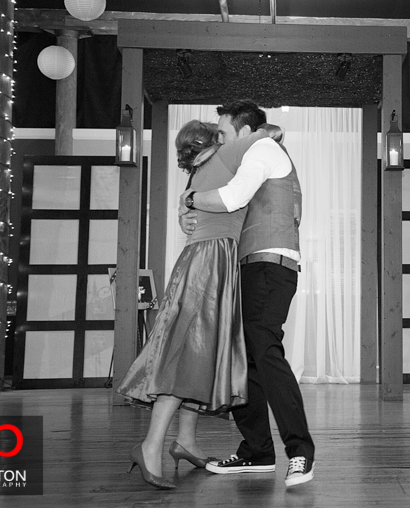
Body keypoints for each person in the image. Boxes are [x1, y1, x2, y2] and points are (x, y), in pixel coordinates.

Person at [118, 120, 276, 490]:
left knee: (200, 357)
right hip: (209, 263)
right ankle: (150, 445)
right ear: (212, 141)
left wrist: (183, 206)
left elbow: (194, 213)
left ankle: (185, 441)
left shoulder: (197, 177)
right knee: (187, 356)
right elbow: (271, 133)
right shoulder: (224, 158)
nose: (226, 138)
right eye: (220, 133)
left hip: (210, 261)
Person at [178, 99, 315, 487]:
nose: (218, 142)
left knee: (265, 351)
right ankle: (257, 452)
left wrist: (189, 200)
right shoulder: (240, 159)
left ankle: (301, 451)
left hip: (271, 265)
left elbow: (231, 198)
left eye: (222, 134)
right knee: (247, 360)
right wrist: (185, 210)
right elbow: (210, 204)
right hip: (247, 267)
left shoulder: (264, 148)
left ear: (244, 131)